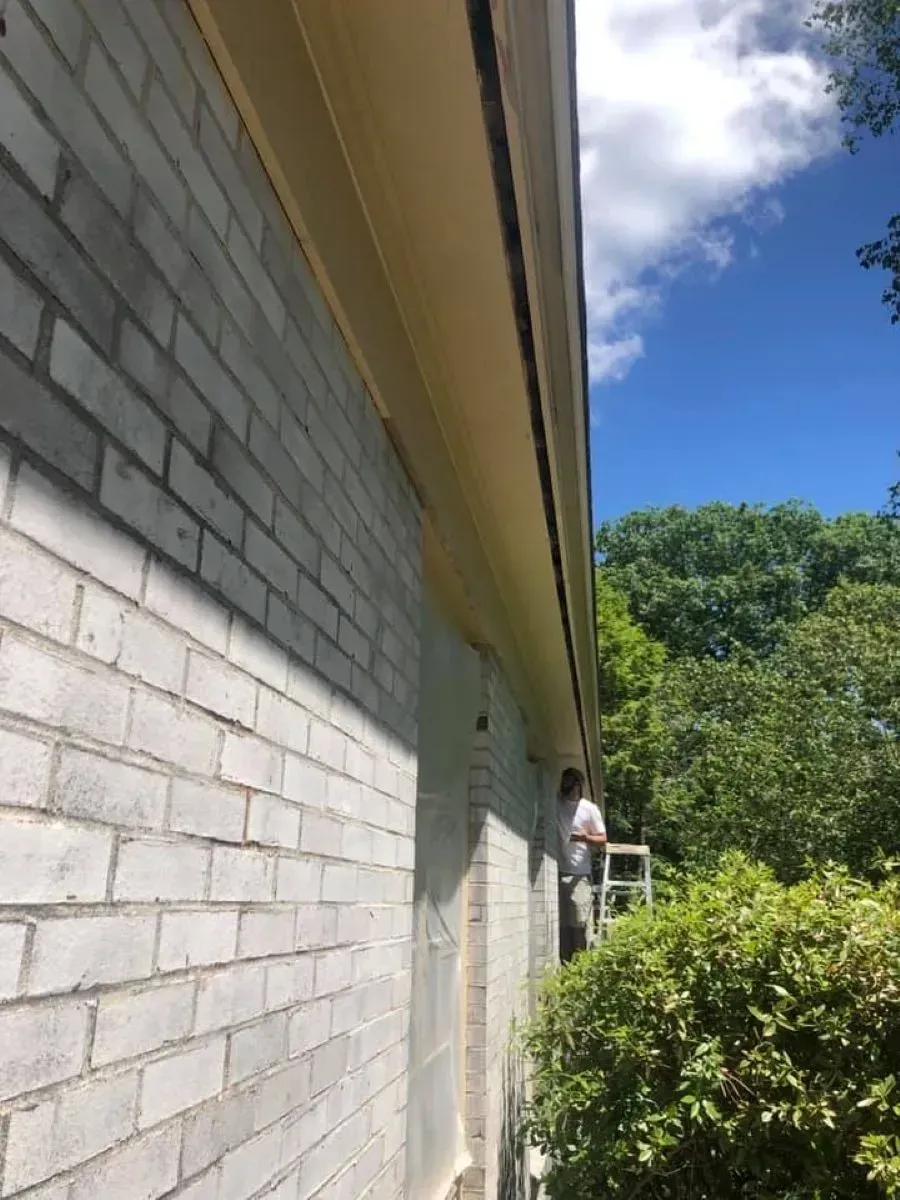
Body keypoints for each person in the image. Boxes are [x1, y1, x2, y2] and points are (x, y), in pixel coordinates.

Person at [556, 766, 606, 961]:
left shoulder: (589, 809)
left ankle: (580, 963)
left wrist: (584, 837)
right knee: (561, 922)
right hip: (557, 870)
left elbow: (602, 838)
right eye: (563, 780)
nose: (564, 785)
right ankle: (565, 963)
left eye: (569, 781)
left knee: (579, 920)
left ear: (578, 785)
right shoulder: (555, 801)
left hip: (579, 873)